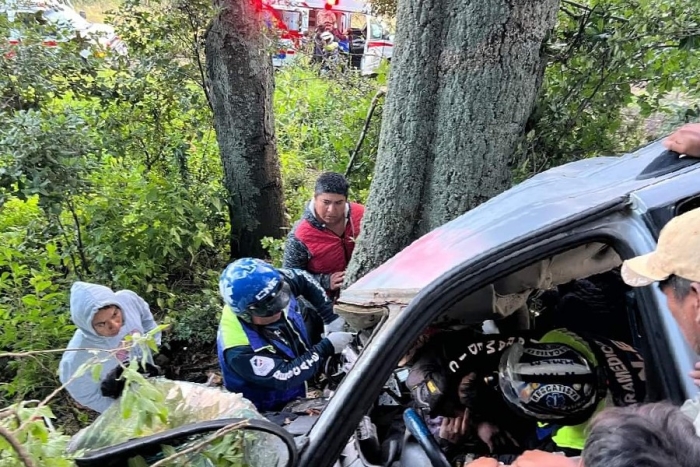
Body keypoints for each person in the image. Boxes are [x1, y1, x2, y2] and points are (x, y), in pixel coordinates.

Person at [406, 328, 645, 463]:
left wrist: (454, 451)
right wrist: (480, 421)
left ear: (550, 419)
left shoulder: (576, 445)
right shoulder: (561, 339)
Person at [216, 258, 354, 412]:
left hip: (296, 384)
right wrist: (325, 348)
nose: (279, 310)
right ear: (247, 314)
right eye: (269, 309)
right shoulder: (238, 350)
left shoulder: (269, 283)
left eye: (281, 299)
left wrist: (330, 317)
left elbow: (303, 278)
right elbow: (284, 375)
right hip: (264, 407)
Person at [59, 281, 161, 413]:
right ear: (88, 326)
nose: (115, 325)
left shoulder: (128, 301)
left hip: (151, 381)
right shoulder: (76, 357)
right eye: (102, 324)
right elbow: (86, 395)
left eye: (115, 315)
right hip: (122, 400)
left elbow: (147, 320)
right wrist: (122, 411)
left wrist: (152, 346)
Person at [283, 172, 365, 300]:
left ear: (346, 200)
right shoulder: (300, 235)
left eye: (339, 203)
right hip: (323, 306)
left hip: (367, 295)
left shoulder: (363, 215)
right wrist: (325, 281)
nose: (331, 210)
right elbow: (290, 279)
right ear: (315, 198)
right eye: (326, 202)